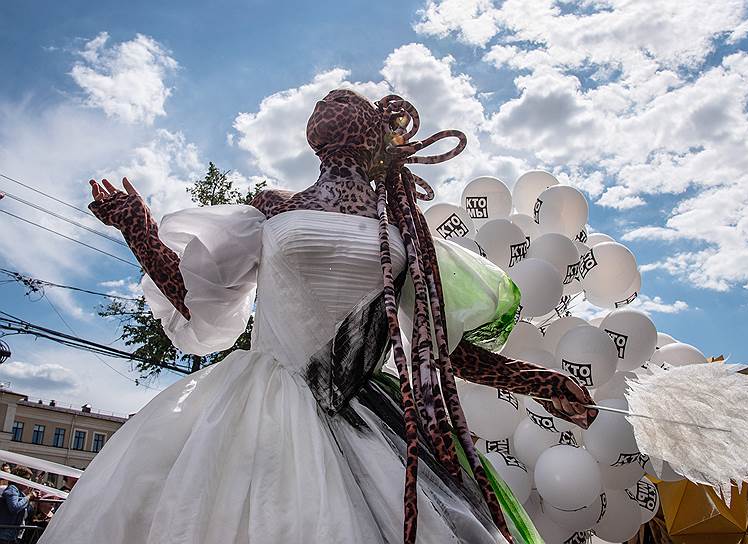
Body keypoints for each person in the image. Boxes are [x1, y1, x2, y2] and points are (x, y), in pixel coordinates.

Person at [40, 90, 595, 544]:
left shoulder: (404, 233)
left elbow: (438, 348)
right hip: (258, 403)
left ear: (374, 139)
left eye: (350, 104)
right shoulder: (272, 207)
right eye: (328, 104)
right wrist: (136, 226)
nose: (333, 103)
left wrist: (541, 381)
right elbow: (194, 295)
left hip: (366, 410)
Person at [0, 467, 34, 544]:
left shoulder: (20, 492)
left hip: (10, 536)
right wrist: (28, 497)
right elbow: (14, 507)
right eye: (27, 479)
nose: (29, 481)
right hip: (4, 536)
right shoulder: (12, 489)